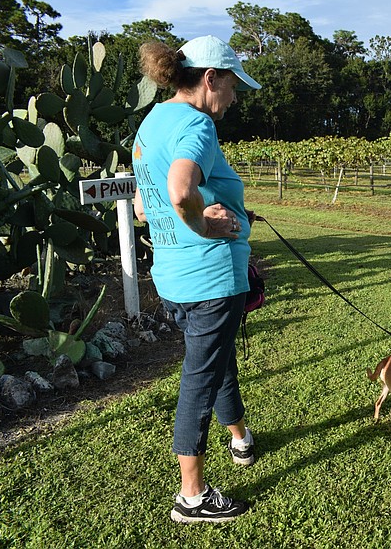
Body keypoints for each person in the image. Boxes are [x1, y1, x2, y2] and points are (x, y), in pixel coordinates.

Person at [132, 35, 262, 522]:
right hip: (209, 278)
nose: (233, 97)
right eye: (232, 86)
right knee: (199, 380)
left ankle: (240, 438)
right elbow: (181, 189)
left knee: (216, 357)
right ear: (211, 79)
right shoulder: (197, 125)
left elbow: (146, 205)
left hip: (173, 274)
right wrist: (206, 223)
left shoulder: (151, 124)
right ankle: (192, 497)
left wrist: (205, 211)